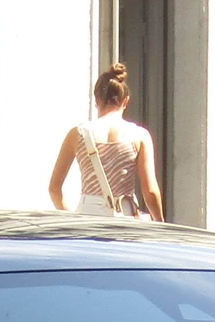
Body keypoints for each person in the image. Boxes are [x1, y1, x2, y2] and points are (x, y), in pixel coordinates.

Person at [49, 63, 166, 221]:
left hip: (87, 214)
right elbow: (150, 191)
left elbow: (54, 188)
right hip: (125, 215)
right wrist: (160, 223)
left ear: (97, 100)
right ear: (125, 101)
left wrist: (69, 217)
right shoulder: (139, 135)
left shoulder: (78, 134)